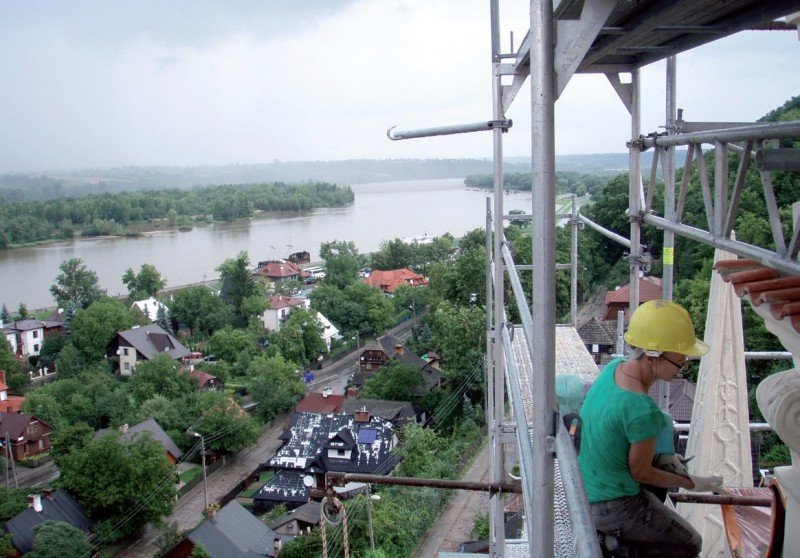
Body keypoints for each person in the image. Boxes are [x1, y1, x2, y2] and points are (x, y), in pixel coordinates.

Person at [578, 300, 723, 557]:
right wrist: (690, 483)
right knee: (690, 543)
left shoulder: (613, 369)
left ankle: (620, 542)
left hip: (589, 488)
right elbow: (641, 472)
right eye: (680, 359)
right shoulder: (642, 410)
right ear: (653, 356)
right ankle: (623, 546)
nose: (684, 366)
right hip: (616, 506)